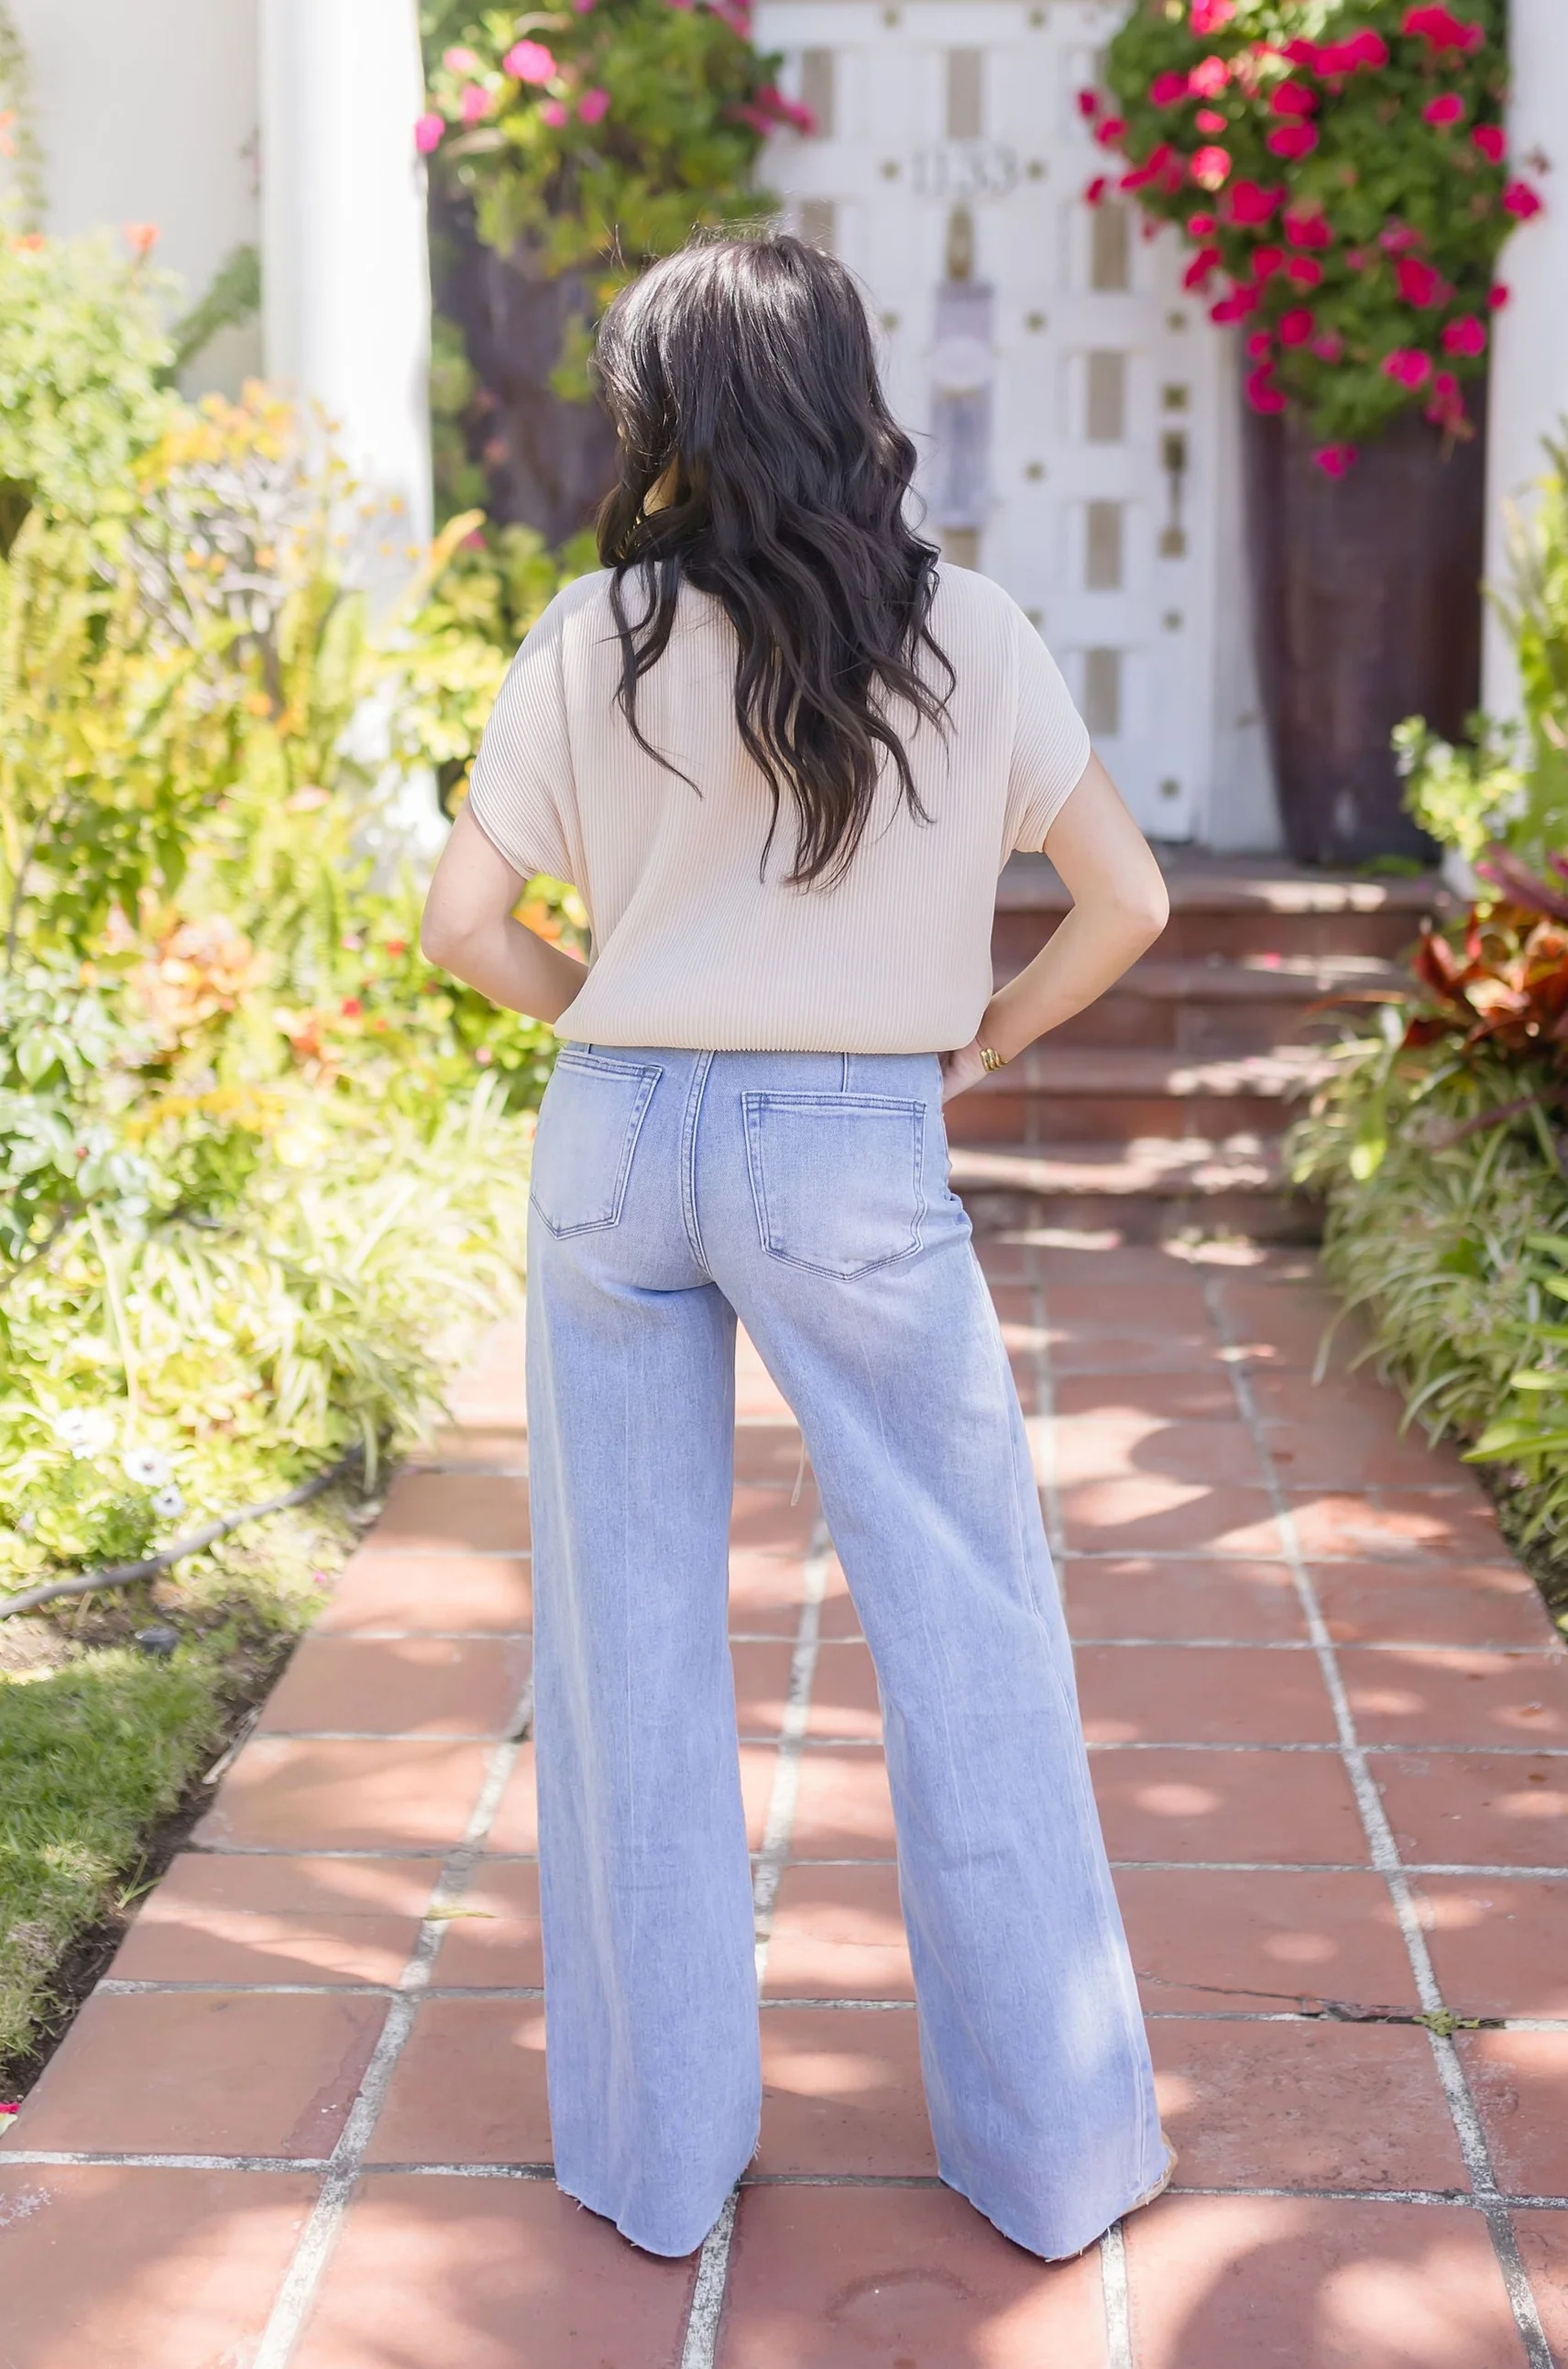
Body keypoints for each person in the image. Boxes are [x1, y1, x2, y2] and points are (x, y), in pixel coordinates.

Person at [420, 231, 1174, 2264]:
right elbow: (1127, 902)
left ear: (668, 412)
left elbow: (463, 925)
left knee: (628, 1649)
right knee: (970, 1631)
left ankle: (657, 2163)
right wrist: (976, 1038)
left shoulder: (597, 630)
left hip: (616, 1133)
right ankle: (1051, 2155)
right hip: (850, 1145)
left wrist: (617, 1012)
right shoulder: (971, 632)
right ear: (850, 397)